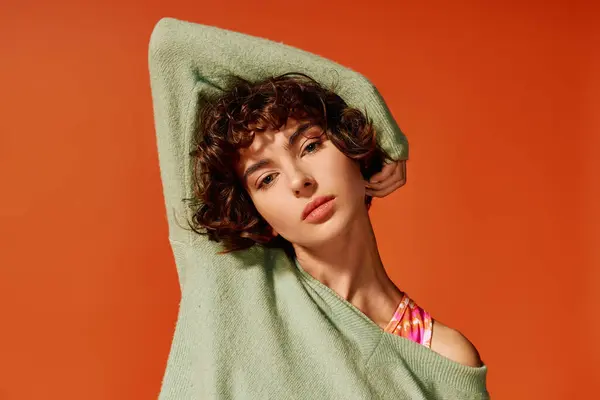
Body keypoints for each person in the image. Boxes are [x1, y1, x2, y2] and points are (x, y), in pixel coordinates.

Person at [149, 17, 489, 399]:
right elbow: (172, 47)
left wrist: (362, 118)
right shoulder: (229, 275)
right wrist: (354, 89)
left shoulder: (440, 357)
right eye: (266, 179)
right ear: (257, 212)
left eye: (310, 146)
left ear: (356, 152)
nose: (299, 180)